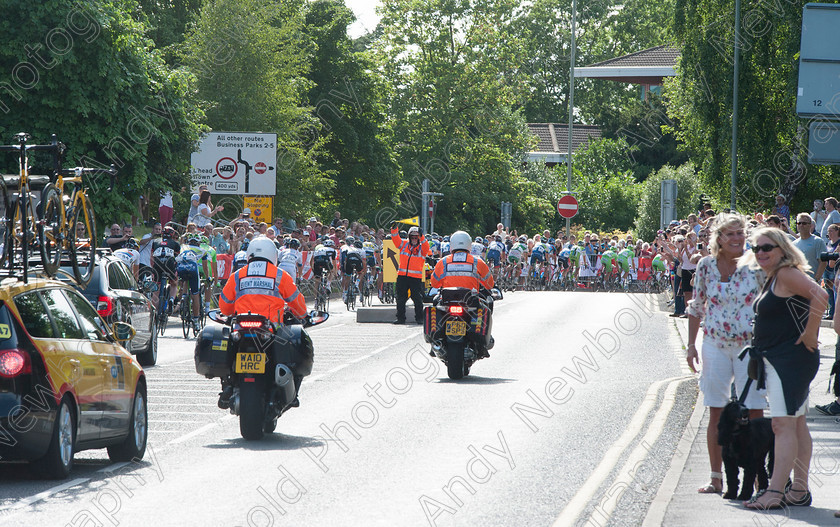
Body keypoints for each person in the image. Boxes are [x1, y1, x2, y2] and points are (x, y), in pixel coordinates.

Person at [740, 226, 826, 510]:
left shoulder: (787, 273)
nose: (761, 253)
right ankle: (799, 490)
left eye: (767, 248)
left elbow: (821, 296)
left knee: (781, 424)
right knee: (796, 423)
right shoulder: (776, 275)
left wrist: (812, 333)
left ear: (782, 250)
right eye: (756, 248)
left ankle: (775, 492)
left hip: (788, 361)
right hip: (783, 360)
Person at [685, 214, 766, 495]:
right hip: (714, 343)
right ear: (718, 238)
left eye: (740, 234)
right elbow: (696, 307)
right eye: (730, 234)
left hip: (748, 348)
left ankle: (758, 477)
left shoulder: (755, 266)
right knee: (716, 410)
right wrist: (691, 345)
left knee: (754, 409)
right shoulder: (706, 266)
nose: (736, 239)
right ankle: (716, 477)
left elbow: (770, 303)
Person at [219, 236, 308, 407]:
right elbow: (299, 305)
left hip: (241, 326)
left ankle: (228, 384)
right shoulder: (280, 274)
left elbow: (224, 307)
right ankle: (290, 392)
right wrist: (301, 314)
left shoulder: (238, 275)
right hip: (271, 328)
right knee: (293, 347)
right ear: (273, 256)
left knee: (230, 346)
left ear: (249, 254)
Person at [431, 230, 496, 353]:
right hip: (470, 301)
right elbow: (489, 284)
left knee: (435, 303)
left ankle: (435, 341)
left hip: (446, 301)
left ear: (452, 245)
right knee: (487, 305)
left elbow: (434, 283)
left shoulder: (443, 262)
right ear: (469, 245)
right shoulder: (478, 262)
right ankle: (484, 340)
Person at [391, 225, 429, 324]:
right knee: (400, 298)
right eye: (412, 237)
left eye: (416, 237)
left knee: (417, 299)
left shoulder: (422, 248)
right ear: (409, 237)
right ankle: (400, 318)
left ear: (419, 238)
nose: (414, 239)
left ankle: (420, 318)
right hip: (402, 276)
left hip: (415, 278)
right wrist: (394, 228)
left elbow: (426, 245)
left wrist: (422, 235)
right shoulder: (403, 244)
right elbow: (395, 238)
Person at [792, 212, 826, 282]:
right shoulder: (794, 244)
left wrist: (816, 279)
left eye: (804, 223)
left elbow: (823, 262)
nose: (801, 225)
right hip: (797, 282)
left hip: (812, 282)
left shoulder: (818, 241)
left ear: (810, 225)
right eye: (799, 223)